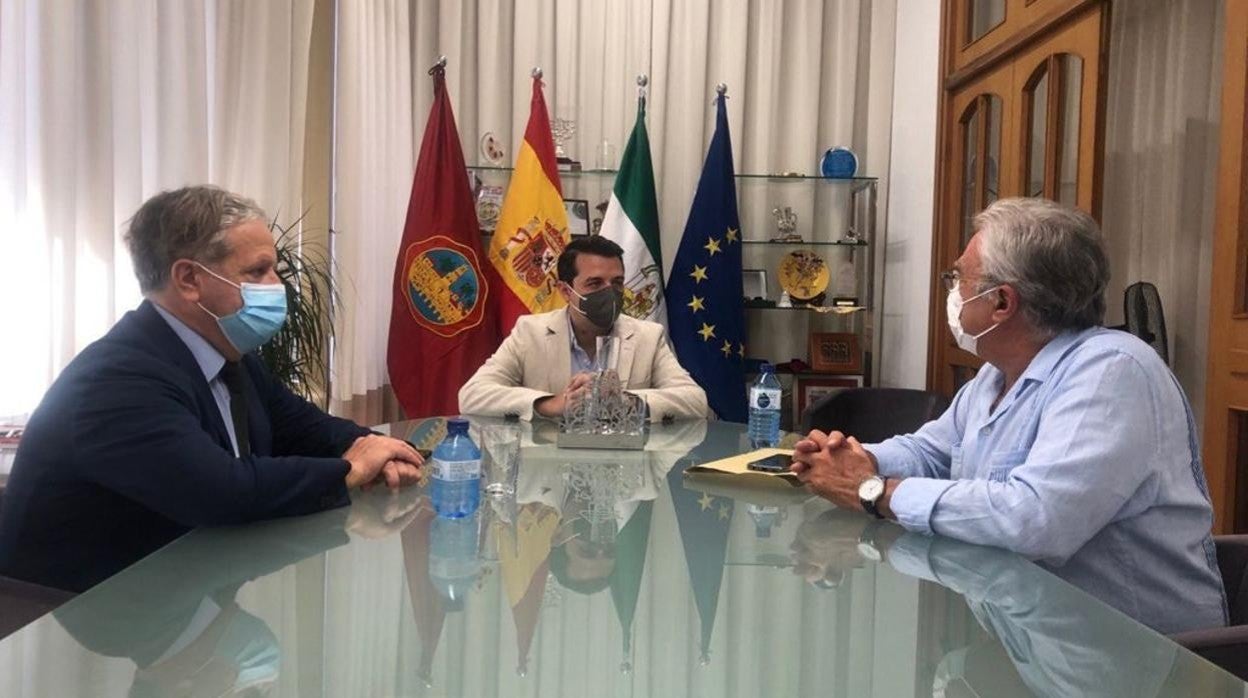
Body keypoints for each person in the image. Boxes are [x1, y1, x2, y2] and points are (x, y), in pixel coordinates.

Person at [790, 197, 1226, 634]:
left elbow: (1034, 519)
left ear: (1001, 302)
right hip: (1042, 635)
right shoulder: (995, 377)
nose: (952, 289)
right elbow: (931, 450)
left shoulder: (1112, 371)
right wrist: (851, 458)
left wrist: (874, 491)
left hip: (1140, 658)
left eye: (958, 277)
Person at [0, 185, 423, 593]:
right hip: (67, 617)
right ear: (188, 279)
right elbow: (221, 490)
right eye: (257, 271)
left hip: (176, 593)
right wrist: (352, 471)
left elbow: (303, 427)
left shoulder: (228, 353)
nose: (277, 286)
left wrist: (373, 447)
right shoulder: (118, 380)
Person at [458, 236, 707, 421]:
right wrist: (551, 404)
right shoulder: (530, 332)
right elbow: (472, 395)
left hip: (625, 471)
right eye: (595, 283)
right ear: (566, 291)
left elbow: (695, 401)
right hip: (551, 473)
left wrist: (630, 402)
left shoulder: (647, 337)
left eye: (617, 282)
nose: (610, 291)